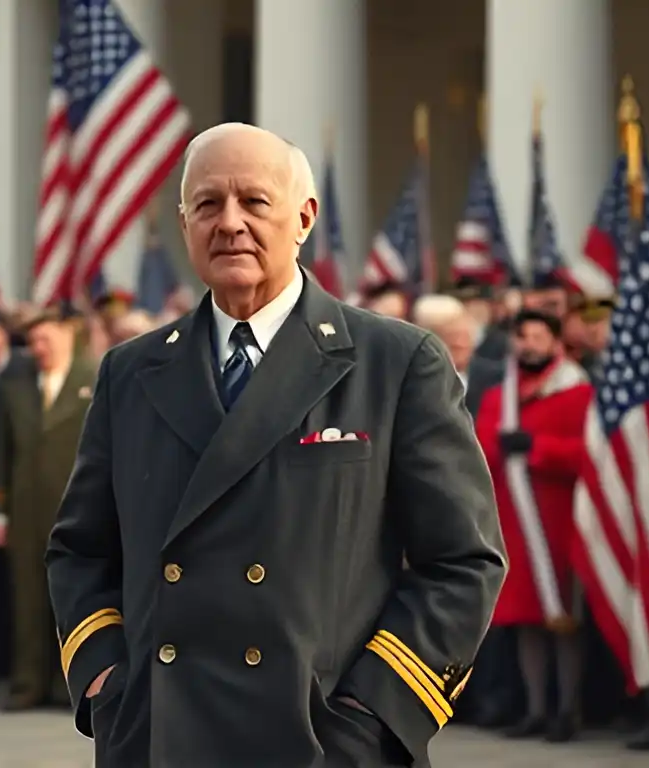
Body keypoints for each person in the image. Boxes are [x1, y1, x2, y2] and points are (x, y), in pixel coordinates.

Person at [46, 123, 507, 767]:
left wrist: (374, 715)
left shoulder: (394, 362)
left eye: (254, 202)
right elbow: (80, 549)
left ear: (304, 217)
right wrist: (108, 688)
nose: (230, 222)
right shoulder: (131, 372)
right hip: (158, 739)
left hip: (323, 742)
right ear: (184, 224)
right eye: (207, 204)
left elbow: (463, 561)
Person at [475, 309, 592, 742]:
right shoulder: (498, 397)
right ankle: (536, 708)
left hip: (560, 519)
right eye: (521, 337)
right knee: (526, 620)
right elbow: (480, 452)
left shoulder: (576, 390)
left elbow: (590, 453)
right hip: (515, 523)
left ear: (556, 342)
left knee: (562, 618)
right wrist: (498, 446)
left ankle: (568, 710)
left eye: (538, 336)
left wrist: (538, 448)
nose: (528, 344)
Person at [0, 302, 96, 712]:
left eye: (46, 338)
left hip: (78, 509)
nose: (39, 347)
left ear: (67, 335)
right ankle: (27, 681)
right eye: (32, 341)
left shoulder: (94, 379)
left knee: (74, 600)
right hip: (26, 509)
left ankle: (68, 685)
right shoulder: (15, 385)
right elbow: (1, 451)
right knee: (27, 599)